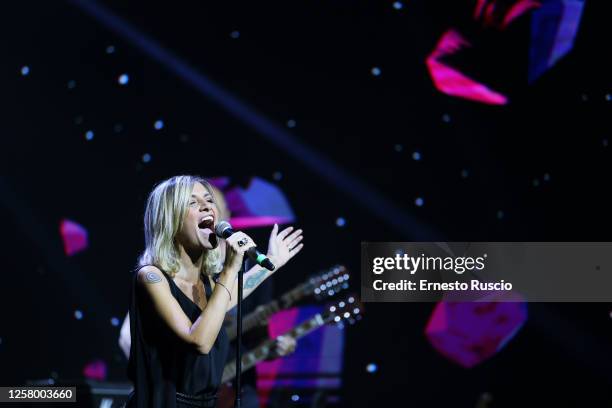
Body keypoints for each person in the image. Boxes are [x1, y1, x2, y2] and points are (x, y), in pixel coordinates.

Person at [126, 175, 303, 407]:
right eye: (192, 202)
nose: (206, 205)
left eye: (209, 200)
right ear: (170, 220)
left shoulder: (208, 283)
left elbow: (233, 295)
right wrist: (230, 270)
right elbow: (199, 340)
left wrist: (271, 263)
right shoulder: (151, 277)